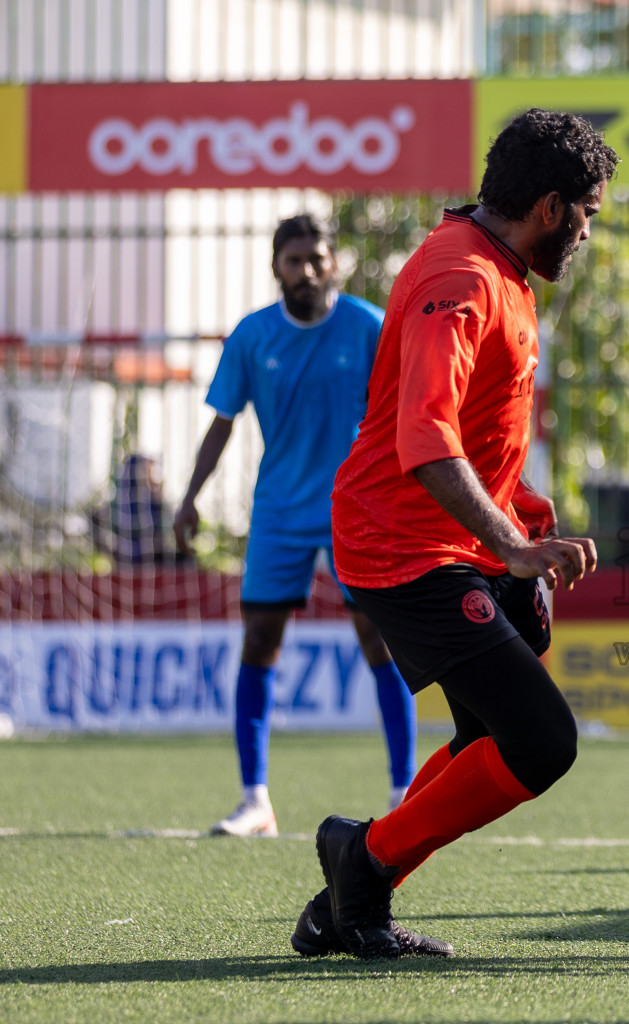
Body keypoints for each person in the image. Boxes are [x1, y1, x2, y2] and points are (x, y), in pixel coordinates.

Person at [291, 109, 613, 960]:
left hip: (452, 542)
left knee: (487, 742)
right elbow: (425, 439)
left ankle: (345, 904)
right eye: (586, 216)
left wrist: (524, 516)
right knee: (542, 742)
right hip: (402, 547)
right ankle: (359, 860)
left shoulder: (498, 269)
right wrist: (511, 543)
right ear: (549, 206)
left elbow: (470, 434)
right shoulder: (463, 276)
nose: (585, 234)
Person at [174, 215, 416, 837]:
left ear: (333, 263)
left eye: (316, 258)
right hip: (279, 512)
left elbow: (407, 410)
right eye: (294, 260)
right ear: (276, 267)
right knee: (258, 643)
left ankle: (403, 789)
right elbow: (222, 421)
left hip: (357, 511)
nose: (306, 269)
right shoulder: (252, 337)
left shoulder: (367, 326)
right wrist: (191, 497)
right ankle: (255, 799)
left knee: (378, 643)